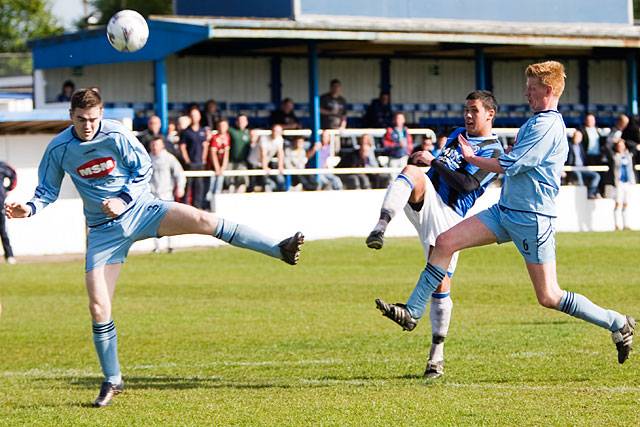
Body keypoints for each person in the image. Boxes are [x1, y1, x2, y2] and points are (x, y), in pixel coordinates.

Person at [4, 88, 304, 408]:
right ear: (70, 117)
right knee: (98, 306)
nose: (88, 125)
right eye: (81, 120)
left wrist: (122, 200)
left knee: (204, 220)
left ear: (101, 114)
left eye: (93, 119)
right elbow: (46, 190)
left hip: (144, 210)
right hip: (103, 233)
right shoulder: (59, 148)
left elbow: (143, 168)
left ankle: (278, 248)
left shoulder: (116, 135)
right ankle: (112, 380)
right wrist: (30, 209)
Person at [375, 61, 635, 372]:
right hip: (505, 211)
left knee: (549, 295)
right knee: (444, 243)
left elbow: (510, 164)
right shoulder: (535, 122)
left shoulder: (547, 126)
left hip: (533, 219)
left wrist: (471, 158)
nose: (526, 93)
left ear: (548, 91)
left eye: (532, 88)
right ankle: (413, 311)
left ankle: (617, 323)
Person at [367, 90, 504, 379]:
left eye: (474, 110)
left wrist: (435, 161)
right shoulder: (457, 135)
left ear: (490, 114)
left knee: (441, 287)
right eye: (465, 109)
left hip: (451, 216)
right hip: (428, 202)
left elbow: (467, 185)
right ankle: (381, 227)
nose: (467, 115)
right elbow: (434, 171)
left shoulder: (494, 151)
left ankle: (435, 359)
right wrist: (424, 163)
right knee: (410, 171)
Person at [148, 137, 186, 253]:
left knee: (169, 220)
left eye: (157, 145)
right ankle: (157, 246)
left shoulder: (169, 158)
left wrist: (180, 187)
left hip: (167, 194)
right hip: (152, 195)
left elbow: (179, 173)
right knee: (154, 222)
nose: (155, 147)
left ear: (162, 146)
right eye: (153, 145)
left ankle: (171, 245)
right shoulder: (147, 158)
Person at [179, 106, 209, 209]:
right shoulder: (186, 132)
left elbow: (205, 146)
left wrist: (204, 159)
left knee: (199, 186)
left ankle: (198, 206)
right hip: (190, 164)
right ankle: (186, 207)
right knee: (188, 186)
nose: (194, 117)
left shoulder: (202, 131)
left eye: (196, 115)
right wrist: (187, 160)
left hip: (200, 163)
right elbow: (182, 147)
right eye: (192, 115)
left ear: (199, 117)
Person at [609, 141, 636, 230]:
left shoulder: (628, 155)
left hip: (627, 182)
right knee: (618, 203)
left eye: (622, 145)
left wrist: (625, 141)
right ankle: (616, 224)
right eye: (619, 146)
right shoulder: (615, 156)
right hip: (619, 182)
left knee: (626, 204)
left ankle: (626, 224)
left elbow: (634, 146)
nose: (621, 147)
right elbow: (607, 147)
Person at [566, 131, 601, 199]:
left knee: (596, 176)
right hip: (573, 168)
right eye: (576, 136)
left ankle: (590, 193)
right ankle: (582, 196)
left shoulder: (581, 146)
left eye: (579, 137)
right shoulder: (568, 146)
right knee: (579, 177)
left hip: (582, 168)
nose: (577, 138)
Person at [207, 118, 231, 212]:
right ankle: (208, 205)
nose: (222, 128)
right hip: (213, 168)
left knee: (219, 186)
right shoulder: (214, 138)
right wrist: (217, 168)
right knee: (211, 186)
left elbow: (226, 153)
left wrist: (223, 167)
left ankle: (216, 206)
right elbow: (212, 154)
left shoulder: (227, 137)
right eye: (221, 126)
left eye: (224, 126)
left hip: (220, 168)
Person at [228, 114, 251, 192]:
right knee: (230, 182)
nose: (241, 122)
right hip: (230, 162)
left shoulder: (249, 133)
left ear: (247, 122)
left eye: (243, 121)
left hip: (242, 162)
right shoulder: (231, 131)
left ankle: (239, 200)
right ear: (236, 122)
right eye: (240, 121)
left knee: (242, 182)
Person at [260, 124, 286, 192]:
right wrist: (265, 166)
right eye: (274, 131)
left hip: (265, 163)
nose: (275, 133)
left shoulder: (280, 139)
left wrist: (280, 166)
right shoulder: (264, 138)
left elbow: (280, 153)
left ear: (281, 133)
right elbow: (263, 154)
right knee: (268, 184)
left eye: (278, 131)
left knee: (280, 181)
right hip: (255, 163)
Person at [0, 161, 17, 264]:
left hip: (0, 202)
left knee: (3, 231)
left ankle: (9, 256)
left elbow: (13, 174)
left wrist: (7, 189)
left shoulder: (2, 166)